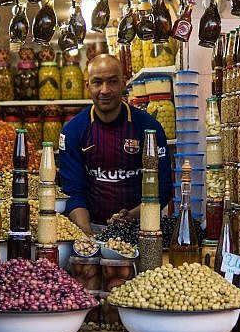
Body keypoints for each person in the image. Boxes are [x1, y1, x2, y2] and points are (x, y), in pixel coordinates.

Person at [60, 54, 172, 235]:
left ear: (123, 83)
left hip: (141, 228)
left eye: (112, 82)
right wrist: (88, 236)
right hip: (90, 227)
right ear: (87, 86)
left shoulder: (149, 128)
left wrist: (130, 218)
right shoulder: (73, 131)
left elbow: (163, 187)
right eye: (97, 82)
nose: (104, 90)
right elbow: (73, 191)